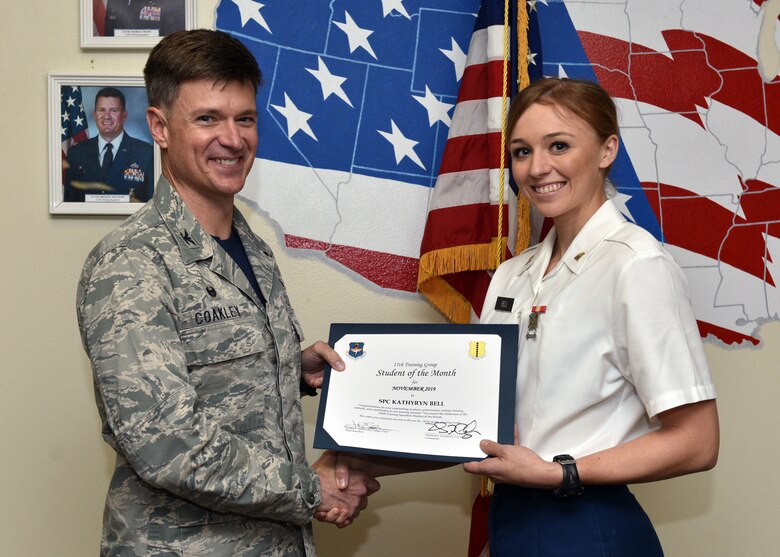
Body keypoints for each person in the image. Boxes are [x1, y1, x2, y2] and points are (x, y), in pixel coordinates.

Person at [76, 29, 378, 557]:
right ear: (160, 127)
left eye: (245, 118)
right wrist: (313, 490)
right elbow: (165, 442)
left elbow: (215, 365)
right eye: (208, 118)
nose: (233, 139)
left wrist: (289, 361)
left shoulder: (252, 249)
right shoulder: (130, 263)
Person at [459, 77, 720, 555]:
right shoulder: (512, 275)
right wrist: (357, 459)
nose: (538, 168)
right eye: (521, 151)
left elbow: (698, 442)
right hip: (514, 518)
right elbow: (469, 418)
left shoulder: (637, 264)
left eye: (558, 145)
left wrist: (561, 472)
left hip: (589, 524)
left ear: (606, 151)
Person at [64, 87, 154, 203]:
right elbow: (69, 204)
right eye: (101, 110)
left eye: (114, 110)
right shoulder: (76, 153)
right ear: (95, 115)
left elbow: (151, 204)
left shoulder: (145, 153)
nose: (107, 116)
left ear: (124, 115)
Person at [104, 0, 185, 37]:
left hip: (154, 61)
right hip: (119, 58)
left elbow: (175, 39)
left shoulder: (173, 2)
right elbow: (109, 34)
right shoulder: (114, 2)